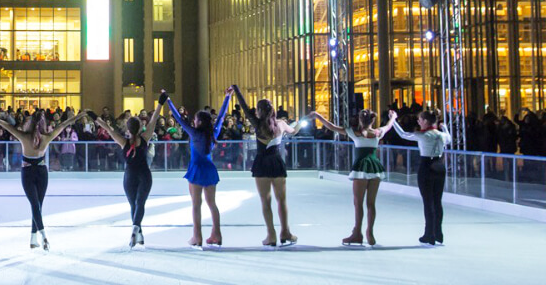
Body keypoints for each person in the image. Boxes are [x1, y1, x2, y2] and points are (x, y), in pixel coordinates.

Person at [0, 108, 84, 250]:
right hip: (38, 171)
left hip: (32, 171)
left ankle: (34, 238)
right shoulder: (43, 137)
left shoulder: (27, 136)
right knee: (36, 205)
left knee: (36, 205)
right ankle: (42, 236)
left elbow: (6, 125)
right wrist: (79, 116)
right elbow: (63, 124)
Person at [309, 108, 398, 247]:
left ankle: (357, 233)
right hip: (375, 167)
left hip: (361, 167)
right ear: (372, 120)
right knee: (371, 203)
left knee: (358, 202)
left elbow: (332, 127)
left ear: (360, 120)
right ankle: (370, 232)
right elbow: (388, 125)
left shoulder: (355, 133)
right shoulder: (377, 133)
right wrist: (393, 117)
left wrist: (317, 116)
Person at [159, 87, 233, 248]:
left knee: (196, 204)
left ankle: (197, 236)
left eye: (195, 119)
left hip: (197, 169)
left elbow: (179, 119)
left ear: (199, 122)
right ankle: (217, 233)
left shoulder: (194, 133)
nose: (193, 121)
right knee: (212, 203)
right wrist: (227, 97)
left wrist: (168, 100)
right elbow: (220, 117)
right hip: (209, 169)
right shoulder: (213, 132)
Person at [232, 85, 302, 247]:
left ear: (259, 111)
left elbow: (243, 107)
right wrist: (303, 121)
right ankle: (285, 231)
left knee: (266, 201)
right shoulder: (281, 124)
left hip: (262, 163)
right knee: (282, 200)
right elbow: (294, 131)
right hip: (276, 163)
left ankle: (271, 235)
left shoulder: (257, 124)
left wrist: (236, 90)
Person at [91, 108, 160, 247]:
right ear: (141, 127)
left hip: (130, 175)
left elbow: (108, 128)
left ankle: (137, 231)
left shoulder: (123, 141)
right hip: (144, 174)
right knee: (140, 203)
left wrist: (94, 116)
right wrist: (160, 103)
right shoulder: (145, 138)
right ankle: (136, 230)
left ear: (128, 129)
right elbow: (154, 119)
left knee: (133, 204)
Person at [392, 109, 452, 246]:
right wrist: (445, 128)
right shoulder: (442, 135)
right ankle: (438, 233)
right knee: (437, 201)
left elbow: (403, 134)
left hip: (427, 167)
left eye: (420, 119)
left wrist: (393, 121)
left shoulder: (423, 135)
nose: (418, 121)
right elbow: (449, 138)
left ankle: (429, 234)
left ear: (426, 121)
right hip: (439, 167)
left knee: (428, 202)